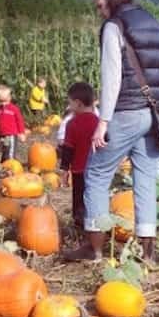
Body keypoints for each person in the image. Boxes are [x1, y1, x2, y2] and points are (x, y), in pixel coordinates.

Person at [63, 0, 159, 262]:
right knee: (145, 179)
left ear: (110, 0)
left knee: (96, 174)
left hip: (126, 112)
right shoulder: (150, 21)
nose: (99, 12)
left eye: (100, 6)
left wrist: (103, 121)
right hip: (154, 114)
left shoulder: (114, 26)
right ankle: (148, 253)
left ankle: (95, 247)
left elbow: (111, 79)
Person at [59, 82, 99, 228]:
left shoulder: (72, 124)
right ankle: (95, 224)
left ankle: (79, 225)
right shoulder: (99, 123)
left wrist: (64, 171)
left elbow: (68, 150)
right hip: (97, 170)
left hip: (79, 171)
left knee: (79, 200)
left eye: (70, 103)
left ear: (78, 103)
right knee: (94, 197)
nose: (69, 107)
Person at [0, 85, 27, 163]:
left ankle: (11, 166)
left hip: (11, 134)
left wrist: (21, 133)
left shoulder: (14, 109)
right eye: (1, 101)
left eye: (5, 101)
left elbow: (20, 121)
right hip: (2, 134)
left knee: (11, 152)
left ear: (9, 98)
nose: (3, 104)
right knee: (4, 150)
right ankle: (3, 164)